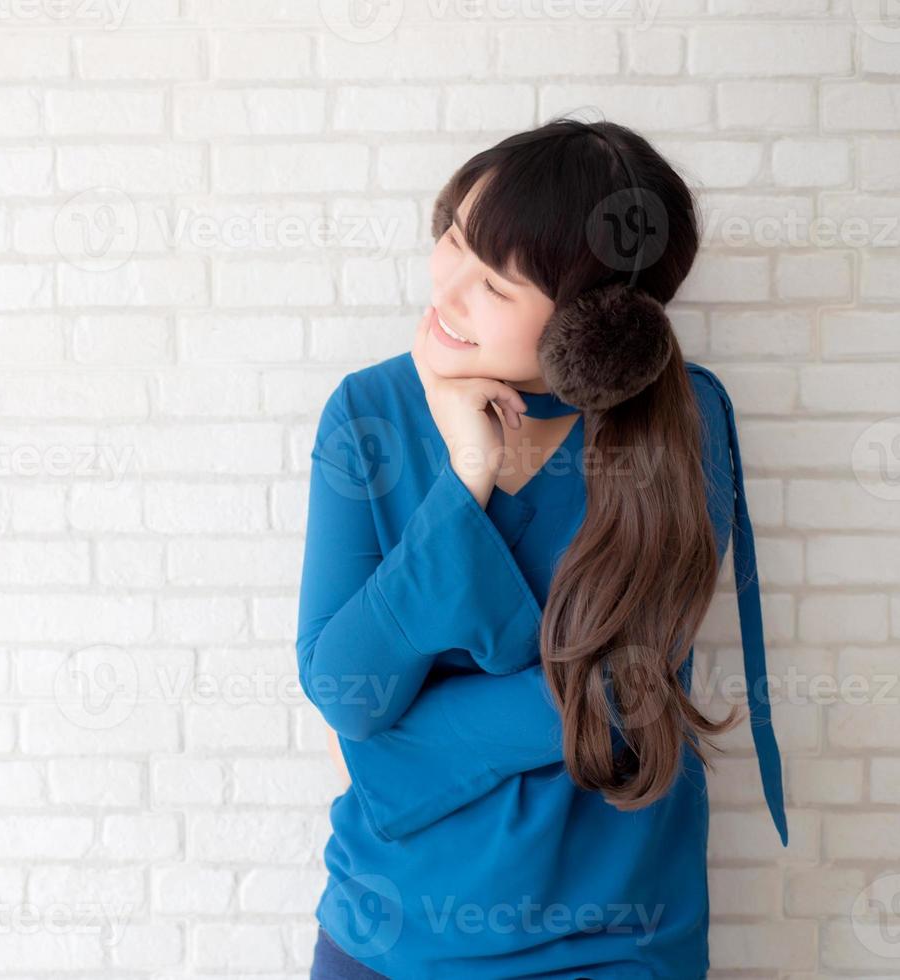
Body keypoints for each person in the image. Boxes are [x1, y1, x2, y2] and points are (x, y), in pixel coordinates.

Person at [295, 117, 789, 979]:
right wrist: (468, 477)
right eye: (452, 240)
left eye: (493, 284)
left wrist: (392, 751)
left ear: (593, 329)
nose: (446, 293)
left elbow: (622, 695)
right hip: (390, 931)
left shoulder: (682, 427)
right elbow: (342, 683)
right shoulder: (368, 412)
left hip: (613, 940)